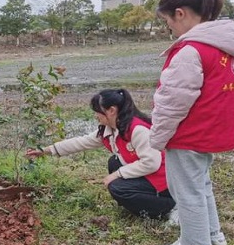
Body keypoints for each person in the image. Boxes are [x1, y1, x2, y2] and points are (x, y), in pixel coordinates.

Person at [150, 0, 234, 245]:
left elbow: (172, 103)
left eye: (168, 20)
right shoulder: (227, 47)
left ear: (180, 13)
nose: (169, 27)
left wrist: (157, 138)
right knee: (201, 184)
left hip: (190, 133)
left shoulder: (191, 50)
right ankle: (213, 234)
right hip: (213, 131)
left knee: (186, 190)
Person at [26, 89, 176, 219]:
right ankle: (140, 201)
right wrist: (46, 150)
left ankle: (168, 208)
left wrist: (117, 174)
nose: (95, 115)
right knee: (114, 162)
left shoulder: (137, 130)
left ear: (111, 110)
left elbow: (151, 163)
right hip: (148, 175)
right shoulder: (110, 130)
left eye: (98, 110)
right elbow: (80, 142)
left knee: (117, 188)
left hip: (163, 181)